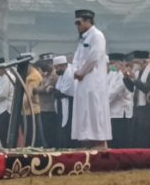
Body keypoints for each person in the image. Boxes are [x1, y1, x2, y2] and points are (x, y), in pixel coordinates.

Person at [72, 9, 112, 149]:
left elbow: (94, 57)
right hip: (82, 82)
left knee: (95, 111)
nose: (77, 26)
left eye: (79, 22)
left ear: (88, 21)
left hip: (93, 81)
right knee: (84, 112)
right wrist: (75, 71)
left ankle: (100, 142)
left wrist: (82, 72)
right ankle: (87, 141)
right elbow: (76, 58)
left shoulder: (97, 36)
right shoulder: (83, 38)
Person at [107, 53, 133, 149]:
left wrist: (101, 105)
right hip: (111, 112)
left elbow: (112, 93)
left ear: (120, 64)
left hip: (121, 114)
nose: (111, 66)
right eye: (110, 64)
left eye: (113, 63)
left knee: (120, 142)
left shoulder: (123, 76)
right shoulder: (112, 75)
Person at [36, 53, 58, 148]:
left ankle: (53, 148)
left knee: (51, 132)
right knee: (46, 131)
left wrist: (36, 90)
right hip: (44, 108)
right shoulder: (46, 74)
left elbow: (44, 89)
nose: (44, 67)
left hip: (51, 108)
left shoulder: (54, 75)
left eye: (46, 64)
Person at [53, 55, 75, 148]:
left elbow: (65, 91)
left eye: (57, 68)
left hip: (69, 104)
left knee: (67, 126)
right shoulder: (63, 74)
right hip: (62, 103)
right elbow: (57, 89)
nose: (56, 70)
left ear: (62, 66)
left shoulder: (69, 74)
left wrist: (56, 92)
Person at [24, 62, 46, 147]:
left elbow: (29, 94)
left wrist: (21, 105)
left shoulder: (33, 77)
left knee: (35, 133)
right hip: (29, 109)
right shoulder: (31, 75)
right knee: (32, 132)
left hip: (32, 108)